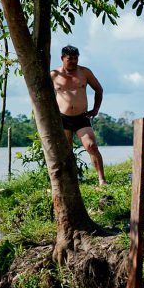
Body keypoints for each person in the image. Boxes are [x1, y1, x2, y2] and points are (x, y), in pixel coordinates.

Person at [50, 45, 107, 186]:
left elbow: (99, 90)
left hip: (82, 117)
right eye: (70, 59)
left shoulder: (85, 72)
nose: (74, 61)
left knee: (91, 146)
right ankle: (71, 181)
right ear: (62, 58)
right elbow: (45, 97)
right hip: (62, 118)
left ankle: (101, 179)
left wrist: (95, 109)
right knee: (66, 152)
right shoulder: (54, 75)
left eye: (76, 58)